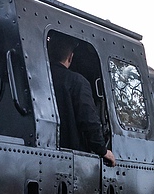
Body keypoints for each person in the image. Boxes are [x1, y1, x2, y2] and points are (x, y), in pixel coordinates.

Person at [47, 33, 115, 166]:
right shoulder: (77, 82)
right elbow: (89, 120)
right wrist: (102, 150)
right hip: (70, 160)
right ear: (70, 57)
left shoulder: (37, 77)